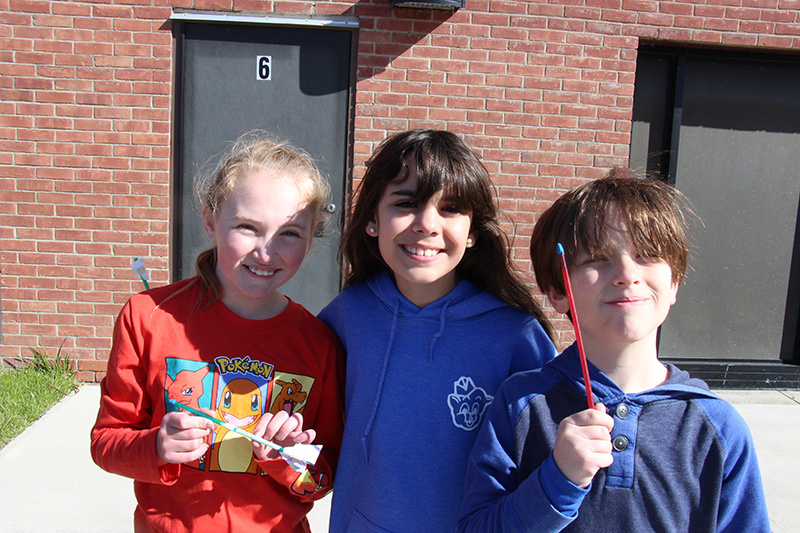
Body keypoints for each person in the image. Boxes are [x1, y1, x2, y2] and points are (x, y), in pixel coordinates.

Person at [458, 172, 770, 532]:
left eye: (648, 254)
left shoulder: (715, 426)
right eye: (596, 258)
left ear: (674, 284)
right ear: (558, 291)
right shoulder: (521, 405)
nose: (625, 274)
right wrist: (557, 480)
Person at [91, 134, 345, 532]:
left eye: (290, 233)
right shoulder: (147, 317)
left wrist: (291, 457)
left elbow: (323, 477)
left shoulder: (320, 344)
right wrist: (157, 446)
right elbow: (106, 444)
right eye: (247, 226)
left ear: (312, 239)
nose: (266, 252)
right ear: (210, 221)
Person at [318, 129, 557, 532]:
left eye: (450, 208)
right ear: (373, 219)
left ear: (473, 231)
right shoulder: (346, 317)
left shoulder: (517, 337)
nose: (427, 224)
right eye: (406, 203)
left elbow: (547, 463)